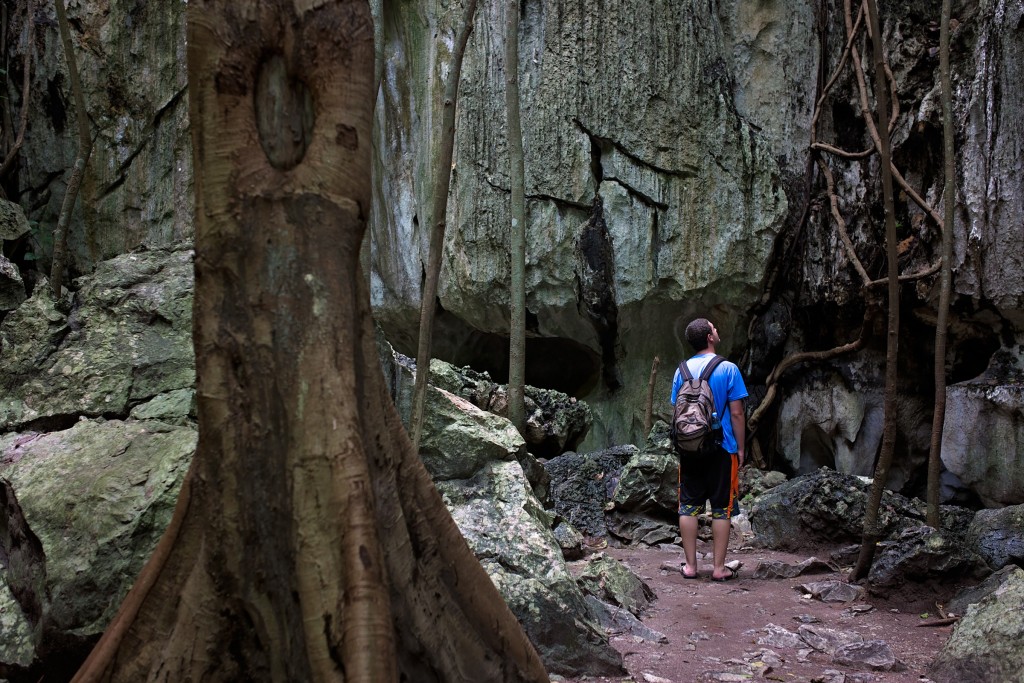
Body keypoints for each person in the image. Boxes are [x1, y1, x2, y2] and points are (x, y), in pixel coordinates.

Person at [670, 317, 748, 581]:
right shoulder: (728, 369)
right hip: (721, 447)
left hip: (689, 448)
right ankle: (718, 568)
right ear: (710, 337)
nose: (717, 329)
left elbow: (676, 411)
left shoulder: (680, 371)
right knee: (721, 507)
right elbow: (737, 414)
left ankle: (690, 566)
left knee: (688, 505)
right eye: (714, 327)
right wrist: (739, 447)